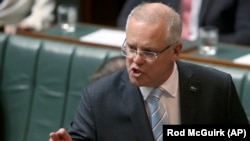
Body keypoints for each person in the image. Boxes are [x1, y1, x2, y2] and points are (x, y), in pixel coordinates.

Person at [49, 2, 248, 141]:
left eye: (149, 52)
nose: (136, 60)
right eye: (131, 48)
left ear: (175, 51)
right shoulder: (98, 97)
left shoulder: (216, 88)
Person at [116, 0, 250, 46]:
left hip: (207, 58)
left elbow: (245, 35)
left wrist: (204, 41)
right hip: (161, 49)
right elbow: (124, 20)